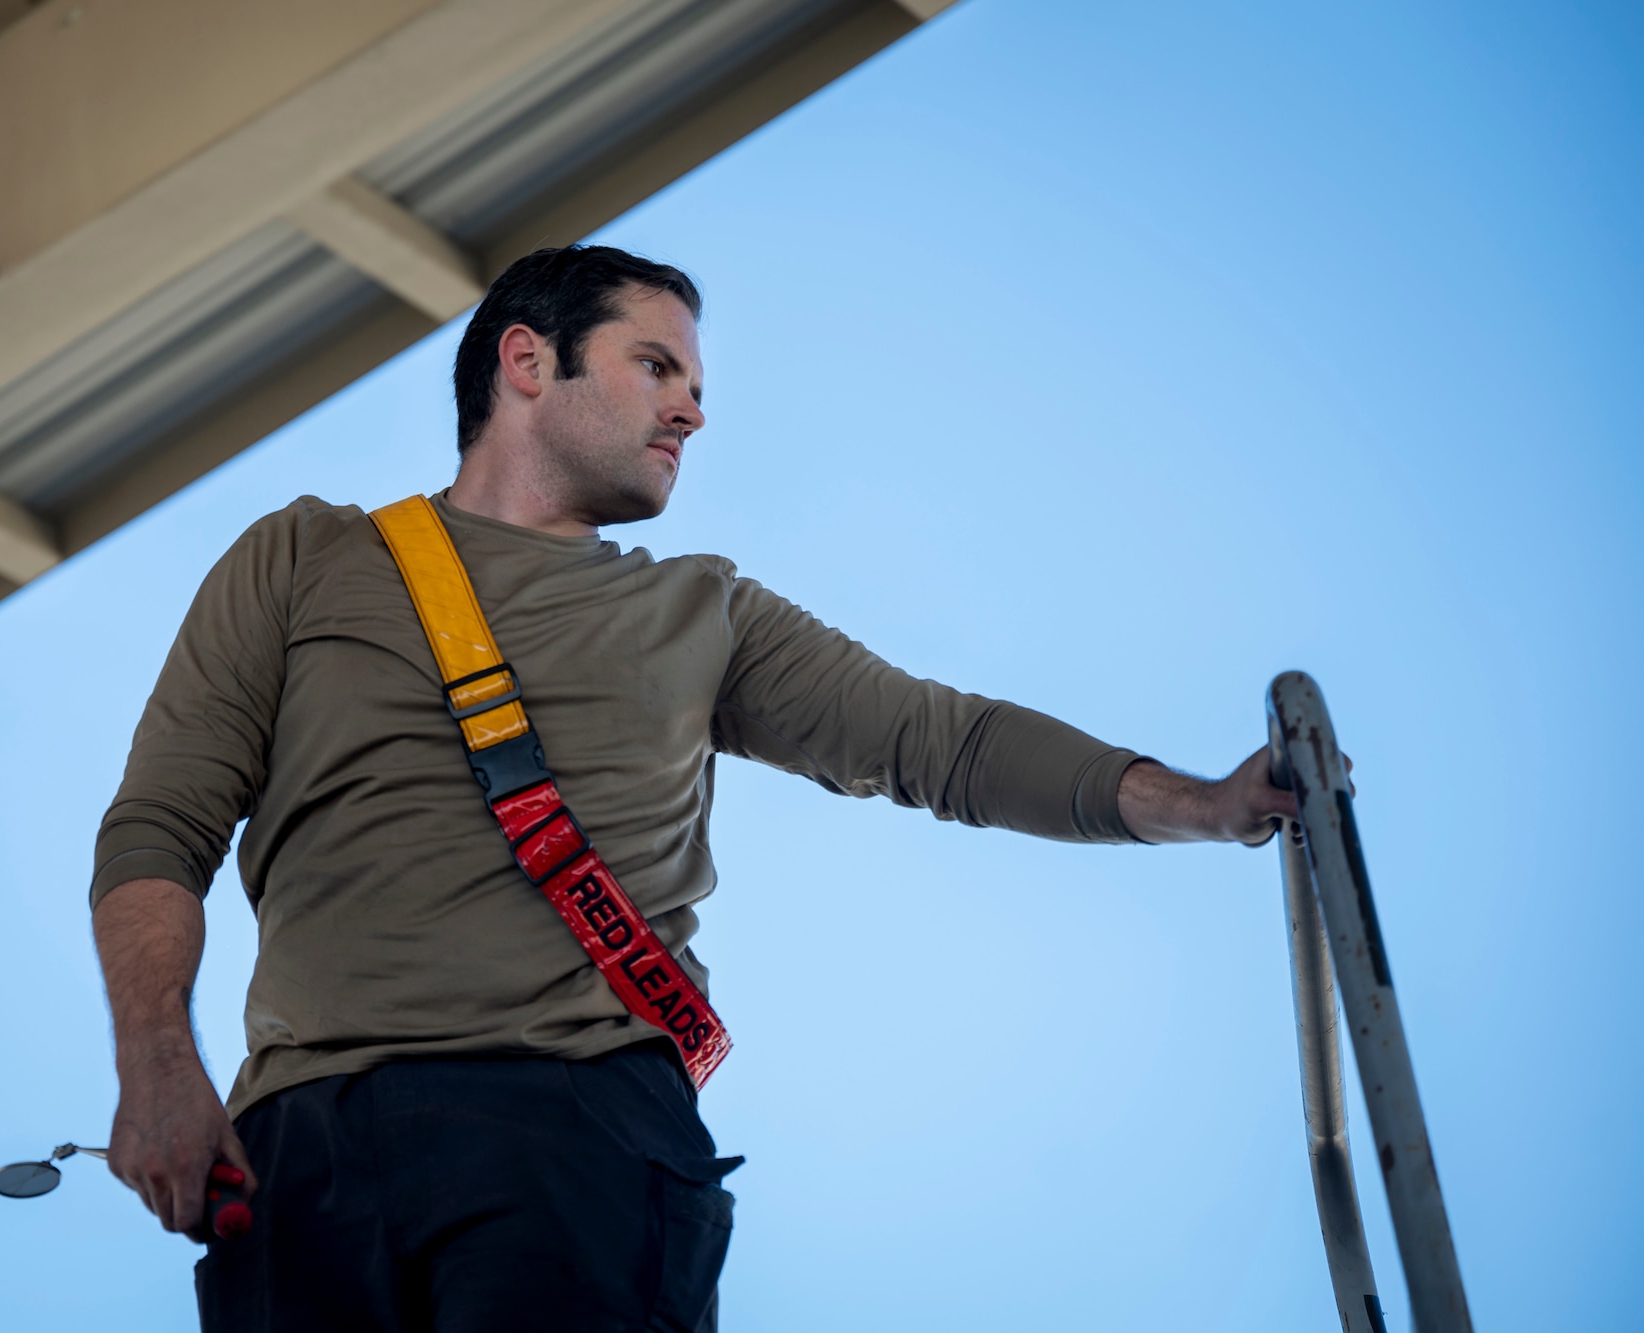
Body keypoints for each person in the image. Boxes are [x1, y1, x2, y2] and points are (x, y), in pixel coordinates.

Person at [89, 245, 1298, 1331]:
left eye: (699, 387)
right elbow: (161, 823)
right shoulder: (302, 558)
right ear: (526, 360)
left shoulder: (702, 612)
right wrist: (154, 1067)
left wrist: (1199, 805)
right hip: (298, 1150)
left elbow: (946, 743)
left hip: (572, 1125)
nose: (692, 410)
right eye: (656, 365)